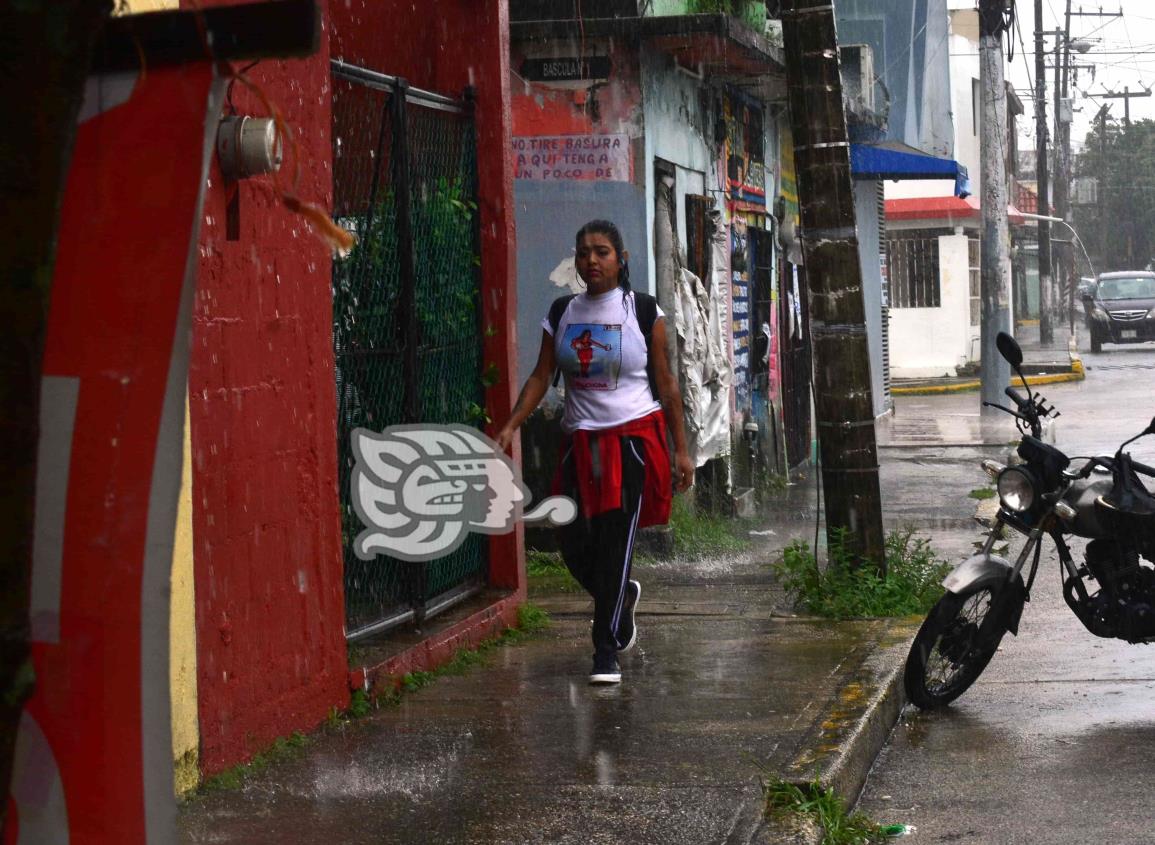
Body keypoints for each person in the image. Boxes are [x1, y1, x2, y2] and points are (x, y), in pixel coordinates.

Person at [496, 219, 693, 685]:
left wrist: (681, 450)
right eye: (584, 252)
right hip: (579, 440)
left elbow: (666, 384)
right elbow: (542, 375)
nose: (591, 260)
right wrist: (511, 425)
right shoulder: (563, 310)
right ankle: (618, 596)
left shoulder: (643, 311)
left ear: (621, 259)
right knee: (570, 538)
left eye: (602, 251)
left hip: (631, 439)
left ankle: (605, 648)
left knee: (614, 538)